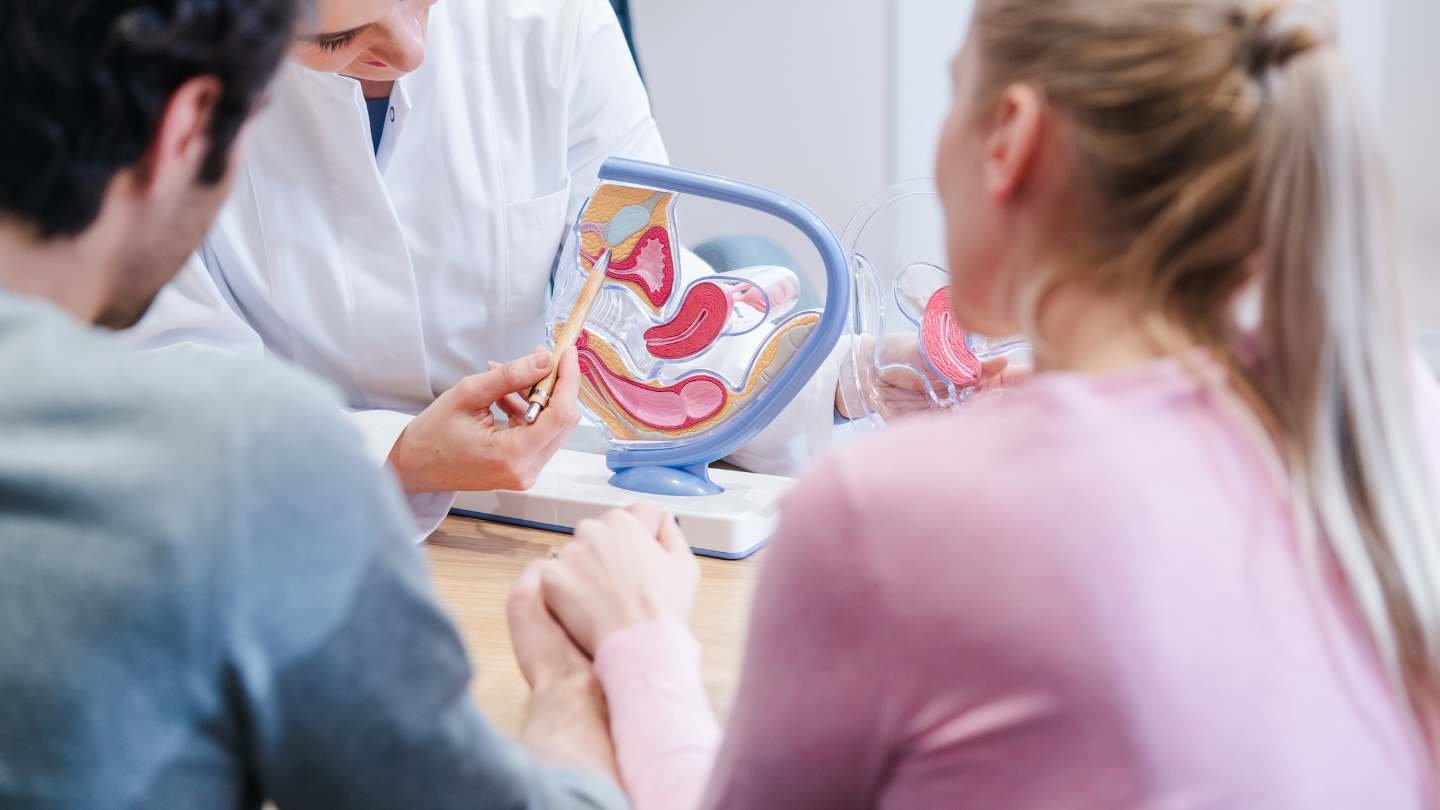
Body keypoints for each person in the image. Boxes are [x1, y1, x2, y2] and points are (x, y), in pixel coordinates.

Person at [517, 0, 1440, 807]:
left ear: (1010, 137)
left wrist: (637, 642)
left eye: (953, 94)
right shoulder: (1391, 408)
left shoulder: (888, 515)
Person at [0, 1, 623, 806]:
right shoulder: (238, 458)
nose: (409, 52)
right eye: (331, 40)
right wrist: (580, 681)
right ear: (190, 125)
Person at [125, 0, 907, 539]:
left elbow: (645, 302)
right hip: (282, 523)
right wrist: (394, 458)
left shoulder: (552, 21)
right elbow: (160, 387)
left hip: (538, 517)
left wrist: (852, 377)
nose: (414, 50)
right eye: (340, 39)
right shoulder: (147, 88)